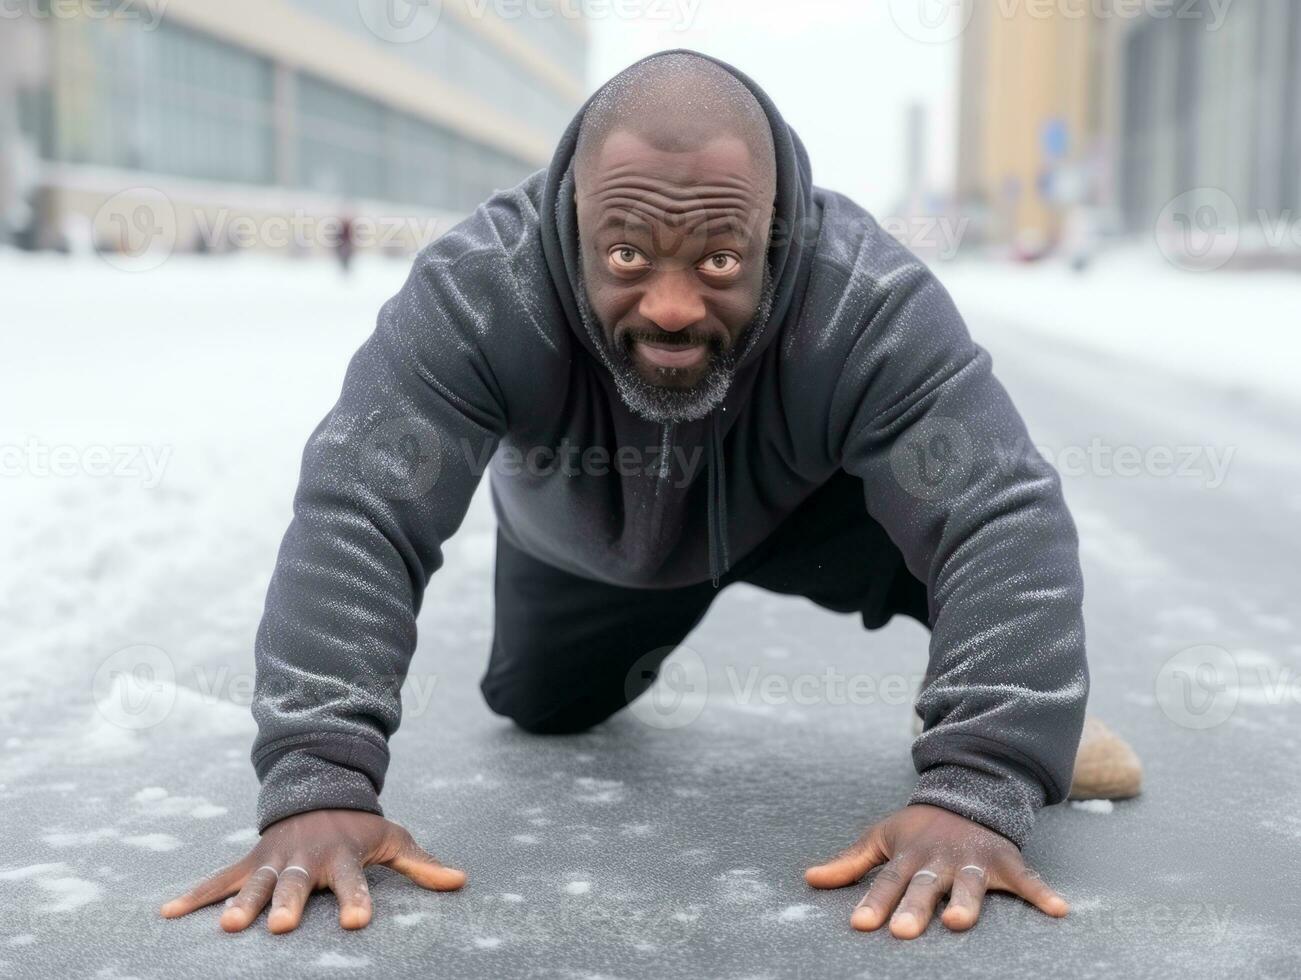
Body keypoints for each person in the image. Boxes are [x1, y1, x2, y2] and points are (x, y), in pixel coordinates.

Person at [161, 51, 1140, 941]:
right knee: (538, 706)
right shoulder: (477, 290)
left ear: (772, 232)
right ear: (571, 220)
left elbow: (998, 510)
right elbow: (360, 509)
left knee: (973, 573)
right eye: (627, 256)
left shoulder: (862, 300)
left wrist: (977, 784)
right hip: (586, 543)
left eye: (717, 260)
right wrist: (317, 784)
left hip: (810, 513)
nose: (671, 307)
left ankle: (1021, 722)